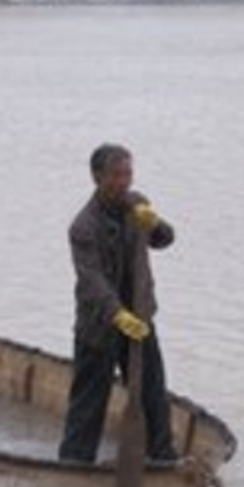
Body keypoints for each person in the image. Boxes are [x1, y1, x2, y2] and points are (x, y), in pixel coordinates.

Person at [58, 143, 179, 465]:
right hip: (99, 324)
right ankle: (74, 464)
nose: (123, 181)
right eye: (116, 175)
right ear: (97, 177)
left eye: (127, 173)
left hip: (140, 317)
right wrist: (118, 315)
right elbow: (92, 280)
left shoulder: (138, 204)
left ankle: (163, 458)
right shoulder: (83, 226)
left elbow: (165, 240)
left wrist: (155, 224)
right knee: (89, 401)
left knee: (153, 393)